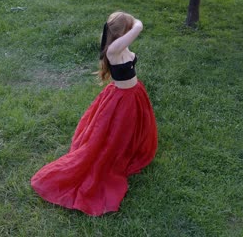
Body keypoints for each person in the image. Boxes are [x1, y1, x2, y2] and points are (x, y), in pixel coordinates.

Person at [31, 11, 158, 216]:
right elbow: (139, 26)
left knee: (133, 129)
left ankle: (130, 151)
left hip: (134, 94)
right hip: (122, 100)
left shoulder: (121, 44)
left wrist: (127, 21)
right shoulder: (114, 49)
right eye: (128, 29)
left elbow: (134, 27)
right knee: (115, 135)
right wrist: (133, 23)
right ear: (122, 33)